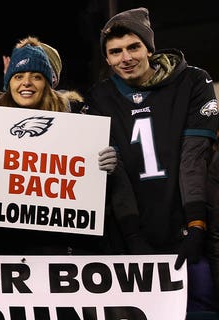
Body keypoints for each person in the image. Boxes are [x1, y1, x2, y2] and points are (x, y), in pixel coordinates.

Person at [84, 7, 219, 315]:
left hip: (187, 222)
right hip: (133, 230)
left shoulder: (192, 81)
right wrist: (133, 236)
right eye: (114, 52)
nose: (125, 58)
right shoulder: (100, 97)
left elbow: (193, 158)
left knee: (201, 308)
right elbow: (113, 174)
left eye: (133, 47)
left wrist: (196, 223)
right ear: (106, 58)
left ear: (149, 48)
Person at [0, 39, 117, 255]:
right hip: (7, 249)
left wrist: (106, 170)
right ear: (9, 83)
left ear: (48, 83)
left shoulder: (80, 119)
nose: (26, 83)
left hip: (63, 248)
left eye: (36, 76)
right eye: (18, 76)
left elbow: (97, 194)